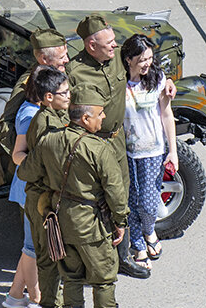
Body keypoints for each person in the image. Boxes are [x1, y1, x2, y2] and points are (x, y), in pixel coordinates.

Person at [17, 83, 137, 308]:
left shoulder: (49, 142)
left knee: (70, 278)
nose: (104, 117)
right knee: (104, 277)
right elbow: (116, 192)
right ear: (85, 118)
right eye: (100, 113)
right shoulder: (98, 148)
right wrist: (121, 222)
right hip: (91, 224)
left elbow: (25, 171)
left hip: (60, 222)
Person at [66, 14, 174, 279]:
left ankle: (126, 253)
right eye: (109, 43)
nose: (115, 46)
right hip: (90, 143)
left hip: (119, 142)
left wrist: (168, 81)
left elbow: (147, 66)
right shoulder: (74, 71)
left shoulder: (117, 57)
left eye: (115, 42)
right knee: (91, 201)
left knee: (123, 199)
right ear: (91, 45)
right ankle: (89, 262)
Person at [1, 65, 67, 308]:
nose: (68, 95)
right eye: (64, 92)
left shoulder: (40, 110)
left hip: (30, 187)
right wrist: (39, 167)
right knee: (31, 248)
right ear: (46, 94)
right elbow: (18, 154)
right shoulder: (30, 116)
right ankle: (37, 299)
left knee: (30, 246)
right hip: (29, 189)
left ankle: (16, 295)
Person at [120, 34, 178, 270]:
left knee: (148, 202)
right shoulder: (118, 82)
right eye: (142, 59)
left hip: (153, 151)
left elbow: (167, 115)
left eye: (150, 59)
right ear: (128, 60)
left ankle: (149, 231)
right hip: (127, 151)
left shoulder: (158, 80)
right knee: (132, 200)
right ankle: (138, 244)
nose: (147, 64)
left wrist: (172, 151)